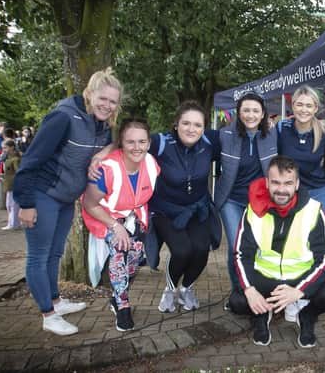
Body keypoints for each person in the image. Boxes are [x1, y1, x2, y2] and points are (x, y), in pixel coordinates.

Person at [13, 67, 123, 336]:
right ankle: (48, 315)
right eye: (103, 99)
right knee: (39, 257)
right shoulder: (63, 117)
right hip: (42, 195)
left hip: (65, 199)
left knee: (55, 253)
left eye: (113, 101)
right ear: (89, 93)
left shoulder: (101, 125)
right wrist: (26, 203)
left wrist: (101, 155)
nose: (107, 106)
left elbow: (113, 143)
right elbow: (30, 160)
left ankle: (55, 301)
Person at [230, 155, 325, 348]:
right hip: (265, 277)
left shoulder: (313, 211)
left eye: (288, 183)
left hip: (299, 278)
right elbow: (240, 254)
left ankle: (306, 315)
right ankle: (261, 314)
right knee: (237, 301)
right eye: (275, 183)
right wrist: (250, 290)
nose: (281, 189)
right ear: (266, 183)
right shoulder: (252, 210)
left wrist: (300, 290)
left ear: (297, 184)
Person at [82, 119, 160, 331]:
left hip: (136, 218)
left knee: (134, 261)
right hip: (106, 217)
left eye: (142, 141)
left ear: (149, 143)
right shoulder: (106, 168)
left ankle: (117, 296)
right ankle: (123, 305)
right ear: (121, 144)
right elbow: (89, 203)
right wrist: (116, 226)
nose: (137, 147)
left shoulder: (152, 163)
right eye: (130, 142)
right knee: (120, 247)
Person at [148, 101, 222, 313]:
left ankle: (187, 288)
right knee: (182, 251)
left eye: (197, 125)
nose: (192, 129)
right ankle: (170, 290)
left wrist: (268, 127)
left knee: (200, 250)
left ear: (204, 128)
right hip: (166, 210)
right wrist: (99, 157)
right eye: (186, 123)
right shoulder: (161, 142)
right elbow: (128, 142)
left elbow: (240, 134)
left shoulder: (210, 140)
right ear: (176, 124)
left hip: (198, 208)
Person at [215, 92, 278, 291]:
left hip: (260, 201)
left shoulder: (273, 134)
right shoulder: (225, 135)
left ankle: (258, 289)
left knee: (259, 247)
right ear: (239, 112)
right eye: (246, 110)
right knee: (236, 248)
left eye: (255, 111)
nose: (250, 115)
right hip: (231, 200)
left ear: (263, 114)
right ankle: (238, 293)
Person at [277, 86, 325, 214]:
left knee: (316, 232)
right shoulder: (281, 128)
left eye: (309, 105)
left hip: (317, 191)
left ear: (315, 108)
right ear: (293, 106)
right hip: (289, 192)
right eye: (299, 104)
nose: (303, 110)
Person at [1, 139, 22, 230]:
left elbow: (18, 172)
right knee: (9, 205)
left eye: (5, 147)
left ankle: (14, 224)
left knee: (13, 205)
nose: (4, 150)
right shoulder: (8, 158)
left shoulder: (16, 159)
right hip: (9, 185)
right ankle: (12, 223)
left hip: (14, 185)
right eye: (3, 148)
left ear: (12, 147)